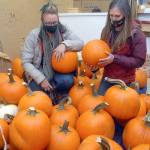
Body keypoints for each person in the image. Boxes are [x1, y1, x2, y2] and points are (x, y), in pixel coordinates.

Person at [21, 2, 84, 104]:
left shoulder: (63, 30)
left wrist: (65, 45)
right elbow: (26, 62)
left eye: (54, 23)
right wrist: (41, 79)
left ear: (58, 20)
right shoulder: (34, 35)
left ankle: (53, 91)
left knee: (67, 80)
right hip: (40, 71)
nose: (52, 26)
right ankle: (53, 93)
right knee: (35, 95)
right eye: (48, 23)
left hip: (59, 72)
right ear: (42, 21)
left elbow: (81, 43)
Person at [94, 0, 147, 95]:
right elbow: (101, 51)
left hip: (126, 81)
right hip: (107, 78)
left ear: (126, 15)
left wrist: (115, 59)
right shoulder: (106, 31)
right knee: (101, 106)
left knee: (122, 107)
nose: (113, 19)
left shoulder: (137, 35)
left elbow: (139, 61)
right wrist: (96, 64)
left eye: (117, 16)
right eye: (111, 15)